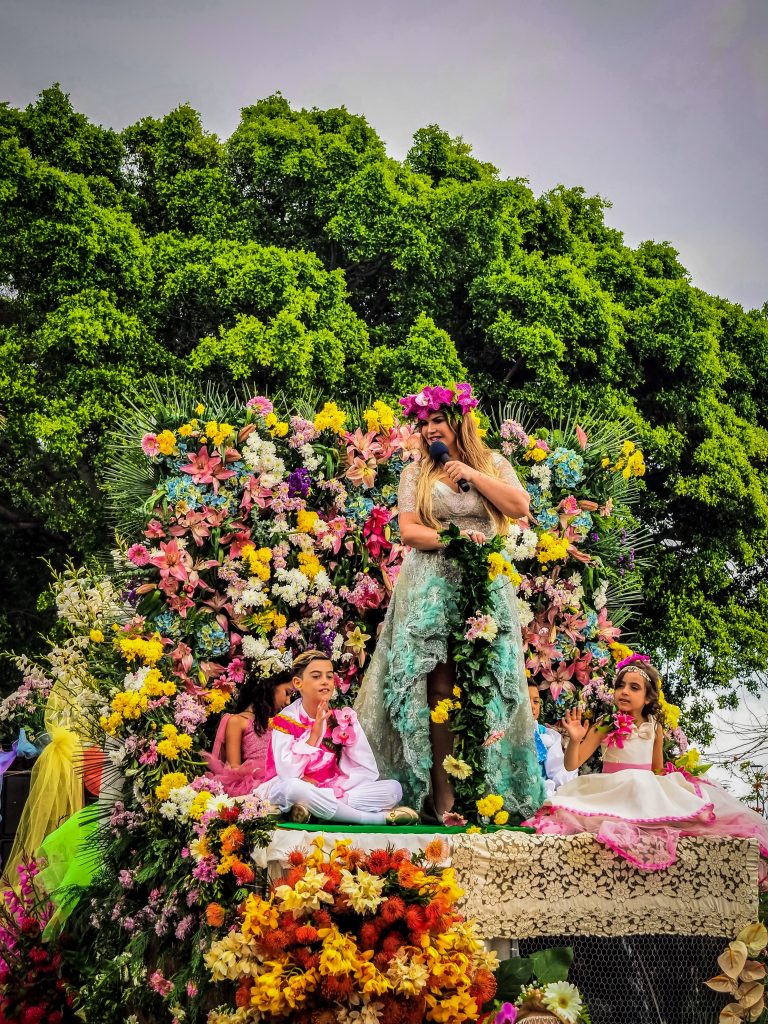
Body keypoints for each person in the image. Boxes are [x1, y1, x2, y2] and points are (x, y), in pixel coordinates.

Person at [355, 383, 545, 822]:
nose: (427, 432)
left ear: (457, 423)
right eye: (422, 425)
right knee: (437, 688)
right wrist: (456, 539)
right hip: (431, 587)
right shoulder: (414, 475)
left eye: (435, 422)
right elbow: (409, 533)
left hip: (484, 585)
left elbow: (518, 506)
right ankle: (443, 801)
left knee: (484, 685)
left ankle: (484, 791)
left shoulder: (493, 463)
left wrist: (473, 475)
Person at [526, 656, 768, 872]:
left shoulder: (655, 726)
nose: (624, 691)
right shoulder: (606, 723)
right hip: (611, 792)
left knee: (662, 807)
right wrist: (577, 741)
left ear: (648, 697)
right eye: (620, 686)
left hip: (643, 792)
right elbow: (572, 764)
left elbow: (657, 770)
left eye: (634, 687)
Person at [260, 650, 419, 825]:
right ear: (298, 683)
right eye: (316, 676)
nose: (325, 682)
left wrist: (336, 787)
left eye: (329, 677)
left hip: (332, 789)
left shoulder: (342, 718)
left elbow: (367, 769)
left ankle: (314, 811)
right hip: (290, 787)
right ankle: (375, 819)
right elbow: (287, 774)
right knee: (294, 789)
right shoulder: (285, 721)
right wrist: (314, 736)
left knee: (393, 789)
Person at [201, 670, 296, 796]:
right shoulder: (238, 721)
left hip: (281, 779)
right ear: (270, 686)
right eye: (287, 693)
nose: (288, 702)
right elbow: (233, 769)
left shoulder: (279, 724)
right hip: (255, 786)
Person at [529, 684, 577, 797]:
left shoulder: (546, 735)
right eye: (526, 700)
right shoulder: (501, 734)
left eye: (536, 701)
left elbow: (558, 773)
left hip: (541, 795)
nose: (532, 706)